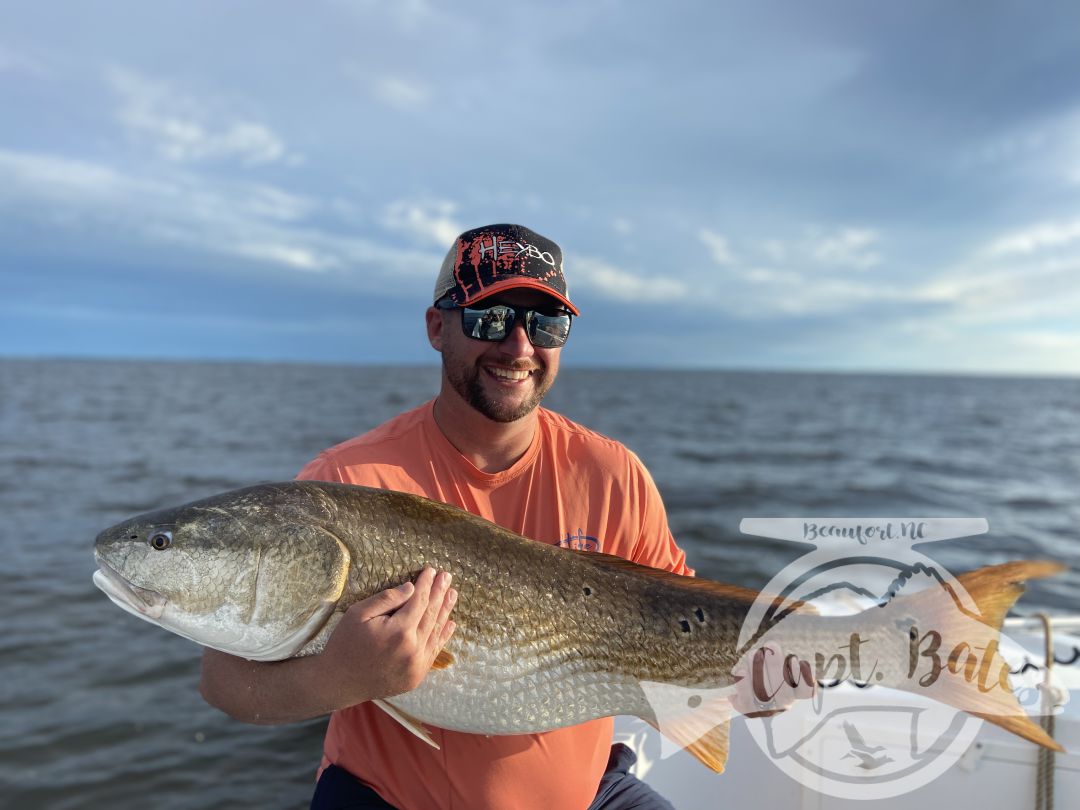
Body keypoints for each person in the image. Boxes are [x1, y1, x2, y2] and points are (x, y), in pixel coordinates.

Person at [199, 224, 803, 809]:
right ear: (438, 327)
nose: (518, 347)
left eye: (546, 323)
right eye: (490, 319)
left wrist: (751, 681)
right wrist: (342, 675)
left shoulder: (614, 473)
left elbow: (682, 620)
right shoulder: (346, 483)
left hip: (589, 793)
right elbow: (225, 684)